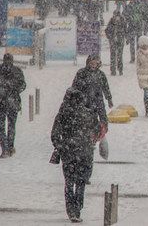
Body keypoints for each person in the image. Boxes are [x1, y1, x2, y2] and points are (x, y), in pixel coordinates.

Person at [50, 88, 99, 223]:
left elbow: (54, 135)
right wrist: (89, 142)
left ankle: (71, 209)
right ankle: (77, 207)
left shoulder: (62, 115)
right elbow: (96, 130)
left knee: (69, 182)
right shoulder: (88, 114)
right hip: (84, 152)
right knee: (81, 181)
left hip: (68, 152)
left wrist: (61, 147)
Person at [0, 53, 26, 158]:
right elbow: (23, 86)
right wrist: (14, 91)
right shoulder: (17, 71)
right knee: (11, 126)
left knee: (1, 127)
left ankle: (4, 149)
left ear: (3, 60)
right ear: (12, 60)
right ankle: (10, 147)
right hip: (13, 102)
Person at [71, 54, 113, 124]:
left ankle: (102, 129)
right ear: (88, 63)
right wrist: (73, 98)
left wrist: (109, 99)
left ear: (98, 64)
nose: (93, 65)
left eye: (96, 63)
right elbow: (74, 86)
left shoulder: (101, 74)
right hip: (84, 99)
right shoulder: (81, 73)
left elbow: (106, 87)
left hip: (98, 99)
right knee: (86, 118)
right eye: (92, 63)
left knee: (102, 116)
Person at [105, 9, 128, 76]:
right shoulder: (112, 21)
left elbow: (126, 30)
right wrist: (109, 37)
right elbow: (107, 30)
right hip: (114, 40)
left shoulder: (122, 21)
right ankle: (113, 70)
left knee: (119, 56)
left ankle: (119, 70)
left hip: (119, 40)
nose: (116, 16)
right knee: (114, 55)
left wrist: (127, 38)